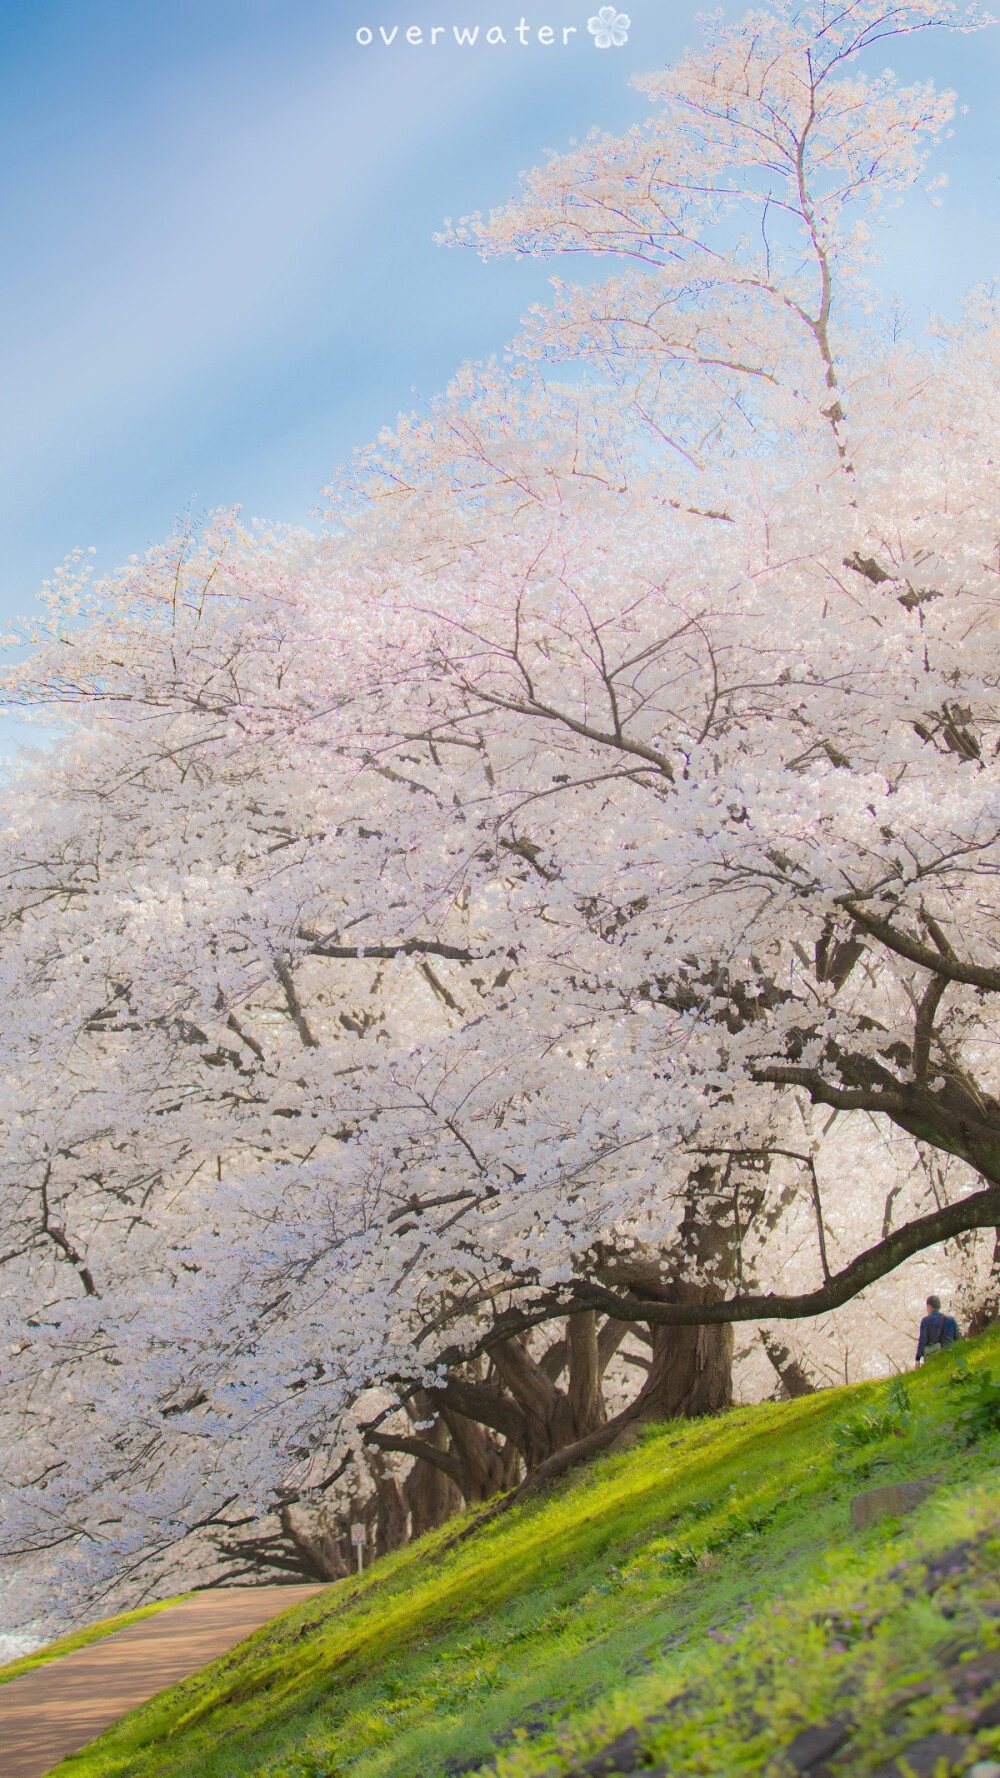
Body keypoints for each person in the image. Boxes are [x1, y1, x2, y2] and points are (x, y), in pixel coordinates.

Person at [915, 1295, 960, 1364]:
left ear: (929, 1307)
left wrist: (918, 1359)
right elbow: (958, 1338)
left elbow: (922, 1341)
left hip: (933, 1358)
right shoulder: (950, 1320)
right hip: (949, 1356)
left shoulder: (925, 1321)